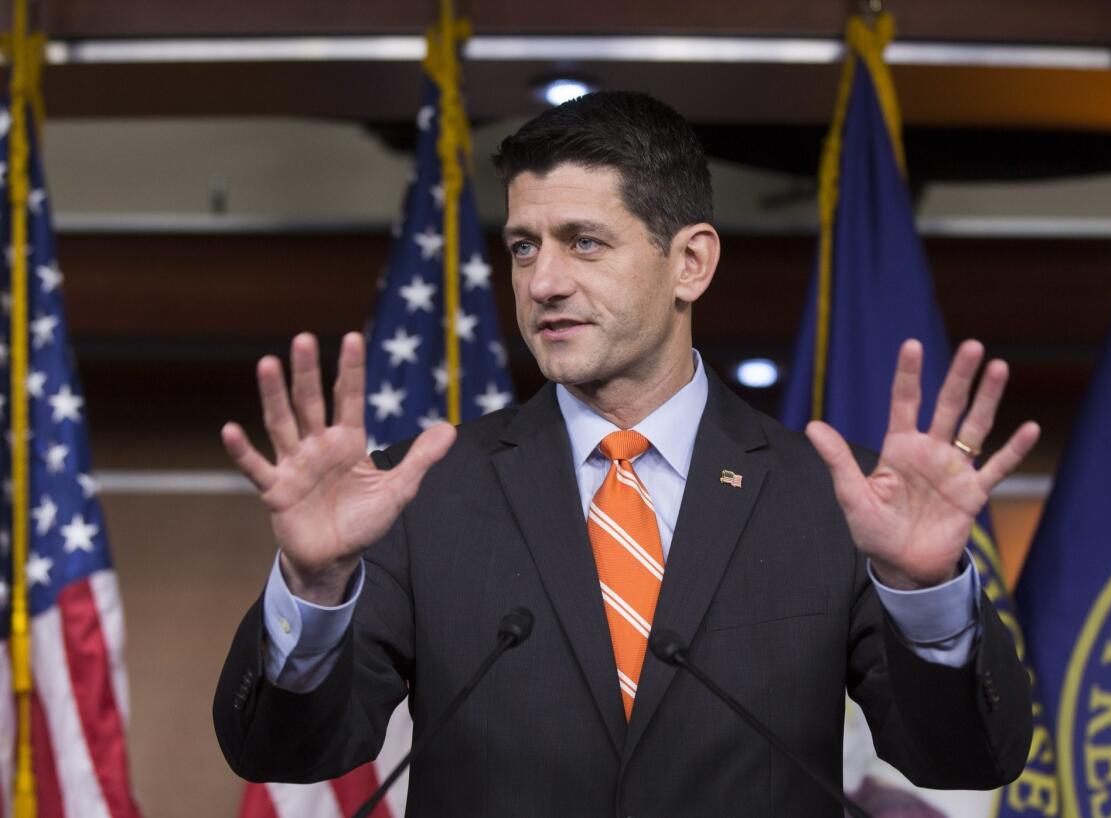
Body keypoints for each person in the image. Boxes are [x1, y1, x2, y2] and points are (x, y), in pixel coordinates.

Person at [214, 91, 1039, 818]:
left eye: (584, 242)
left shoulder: (837, 499)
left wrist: (926, 592)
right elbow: (285, 755)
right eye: (524, 247)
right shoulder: (419, 493)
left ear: (691, 263)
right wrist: (314, 589)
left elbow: (967, 760)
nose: (543, 283)